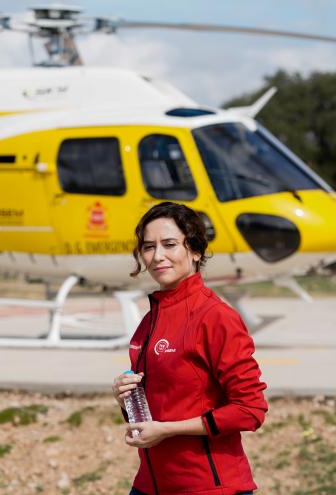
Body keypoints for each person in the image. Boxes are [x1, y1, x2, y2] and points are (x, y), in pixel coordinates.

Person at [112, 202, 268, 495]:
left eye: (169, 244)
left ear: (195, 251)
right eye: (148, 247)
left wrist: (167, 430)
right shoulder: (149, 319)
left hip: (206, 486)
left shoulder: (216, 317)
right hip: (150, 484)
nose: (158, 256)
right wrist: (125, 400)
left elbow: (250, 410)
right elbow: (165, 402)